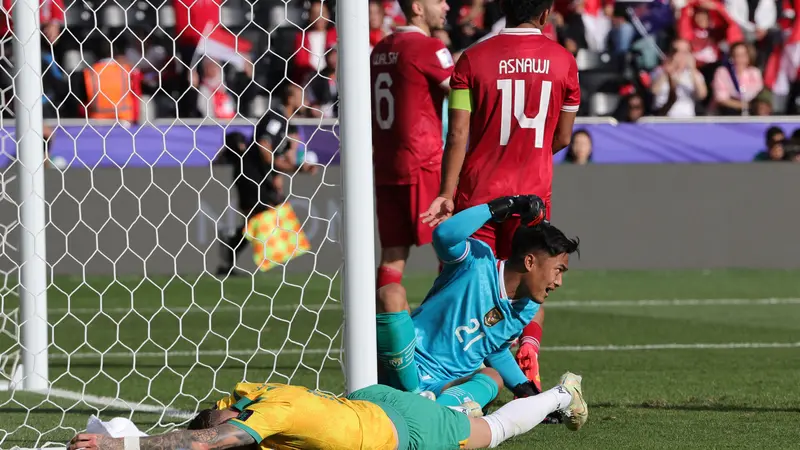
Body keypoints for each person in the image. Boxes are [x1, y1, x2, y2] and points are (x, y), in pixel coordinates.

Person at [421, 0, 580, 392]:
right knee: (533, 281)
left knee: (460, 286)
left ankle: (445, 378)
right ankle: (528, 351)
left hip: (480, 198)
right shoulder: (564, 62)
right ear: (545, 14)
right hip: (534, 200)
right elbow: (562, 137)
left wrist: (445, 192)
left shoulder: (472, 60)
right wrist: (532, 154)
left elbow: (457, 135)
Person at [378, 195, 579, 416]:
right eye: (558, 270)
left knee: (493, 377)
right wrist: (502, 206)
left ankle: (438, 409)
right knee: (391, 293)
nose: (559, 282)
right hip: (405, 364)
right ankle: (416, 397)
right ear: (529, 262)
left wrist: (529, 394)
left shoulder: (527, 307)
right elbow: (443, 235)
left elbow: (496, 350)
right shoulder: (476, 260)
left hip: (444, 385)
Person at [68, 377, 588, 450]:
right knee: (455, 409)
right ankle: (462, 395)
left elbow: (204, 442)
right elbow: (203, 427)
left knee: (490, 432)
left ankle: (562, 395)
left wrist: (124, 443)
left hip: (401, 428)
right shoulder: (243, 400)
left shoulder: (275, 410)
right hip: (368, 401)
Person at [371, 0, 454, 290]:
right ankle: (445, 326)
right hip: (423, 162)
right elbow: (461, 90)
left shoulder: (380, 49)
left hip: (386, 165)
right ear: (417, 7)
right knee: (451, 248)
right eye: (438, 1)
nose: (446, 6)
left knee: (392, 255)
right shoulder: (429, 48)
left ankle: (382, 329)